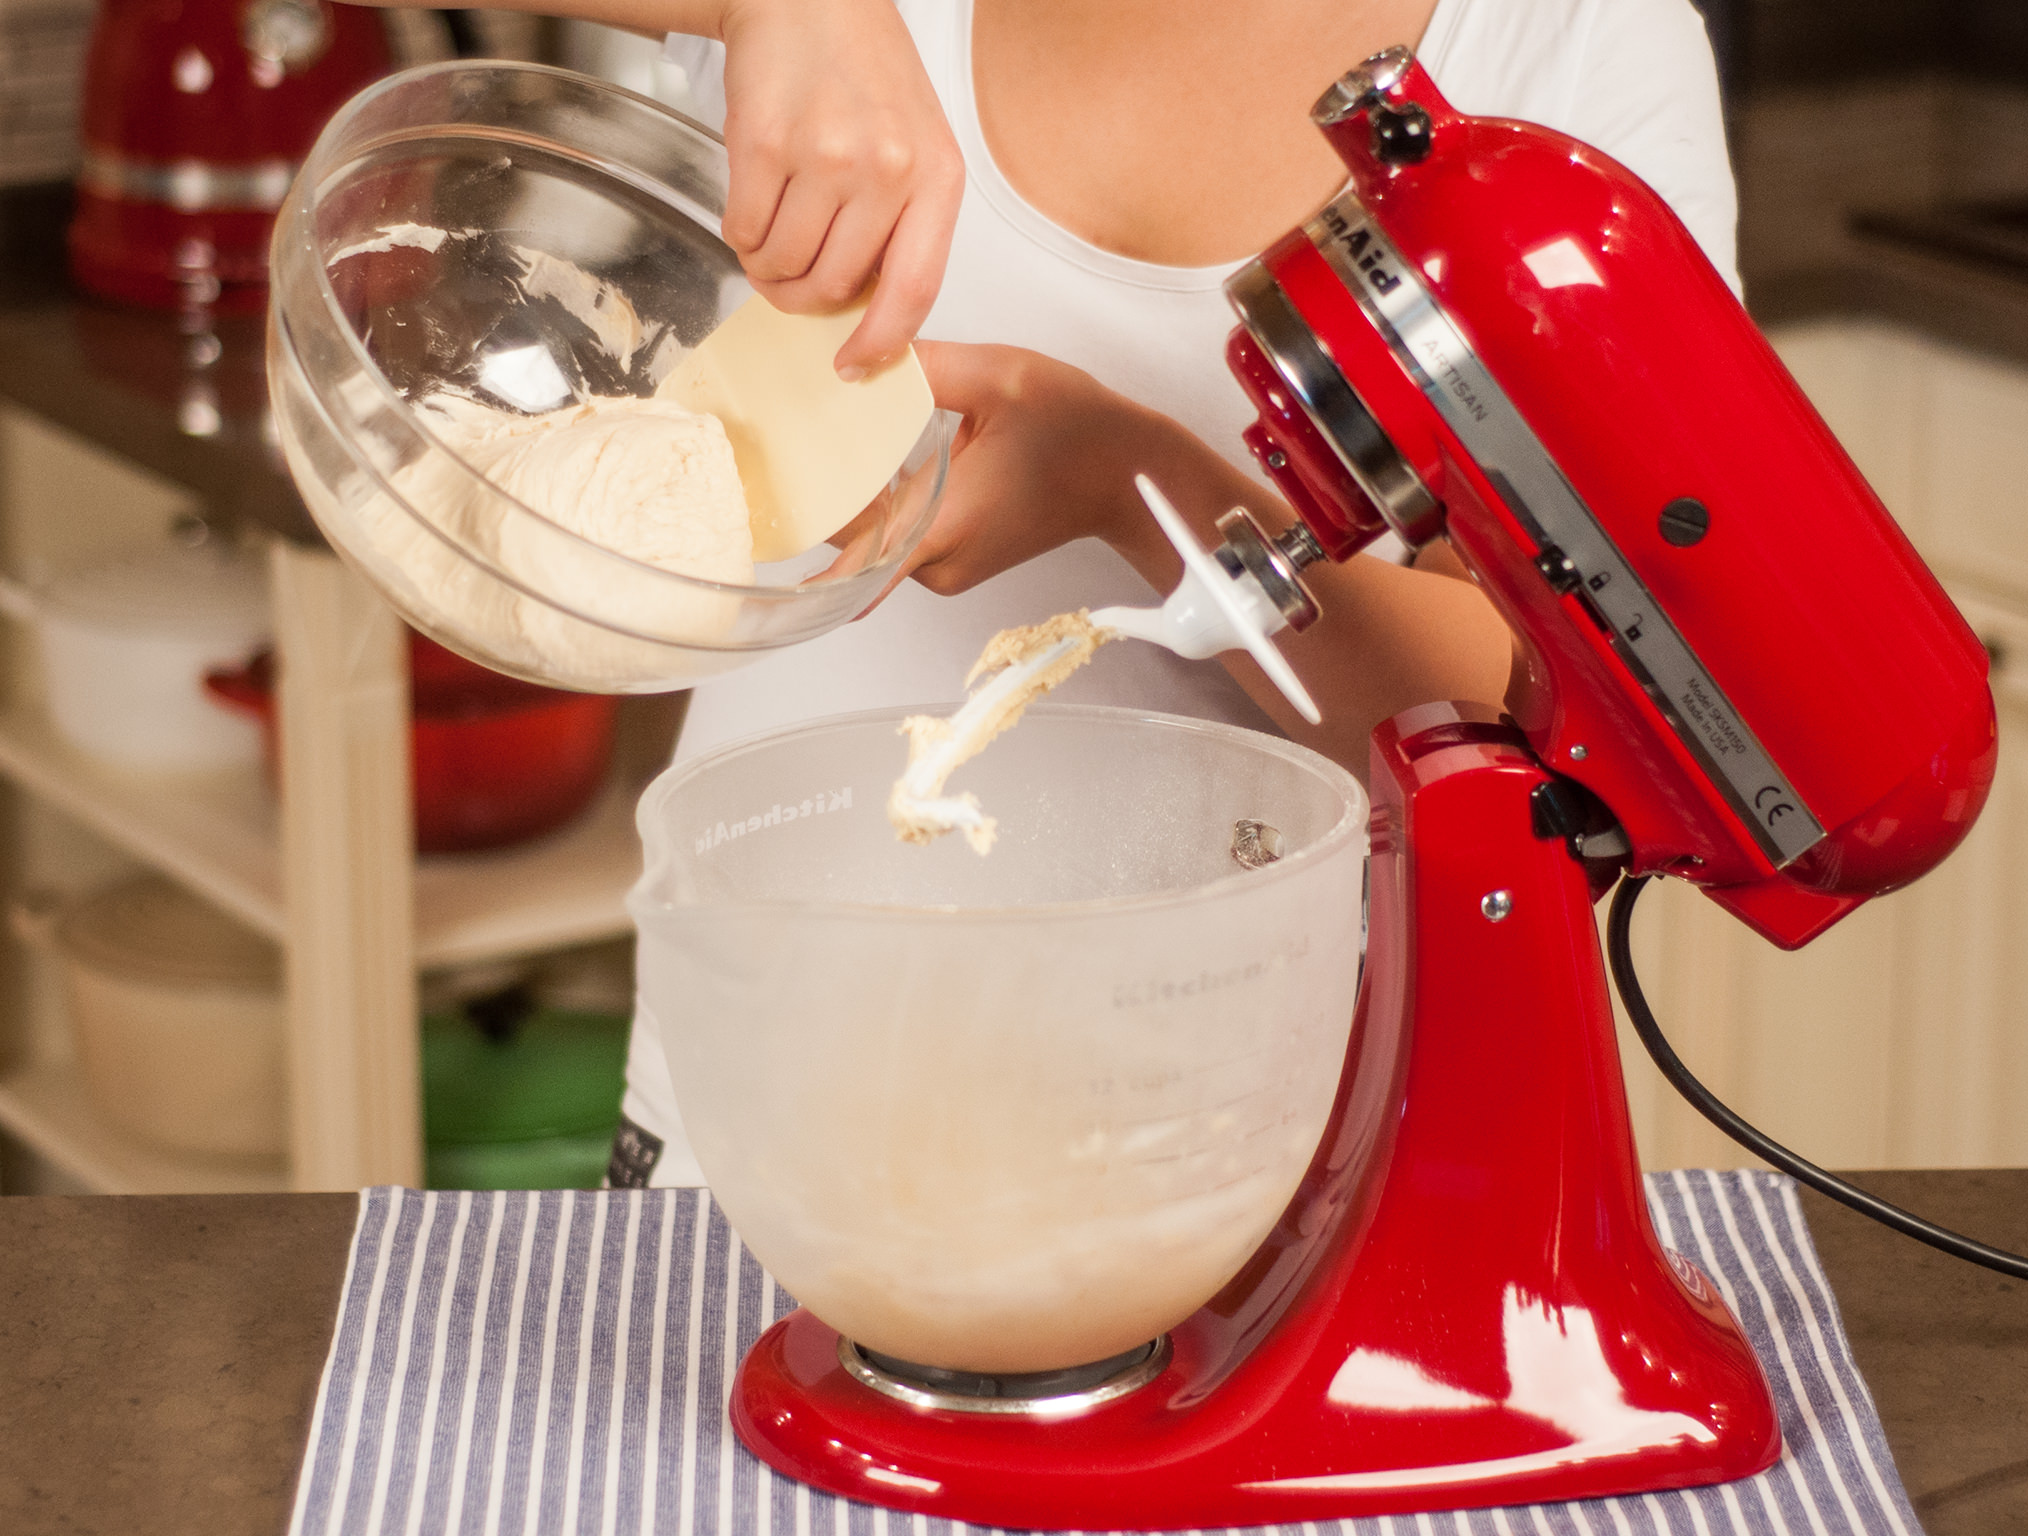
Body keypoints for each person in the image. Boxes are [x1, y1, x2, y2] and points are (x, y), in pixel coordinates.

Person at [359, 0, 1739, 1187]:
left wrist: (1130, 486)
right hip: (766, 1128)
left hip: (1260, 1159)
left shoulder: (1573, 45)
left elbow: (1581, 730)